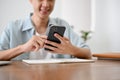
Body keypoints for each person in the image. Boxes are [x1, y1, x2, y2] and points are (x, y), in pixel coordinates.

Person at [0, 0, 92, 60]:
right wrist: (22, 48)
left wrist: (72, 49)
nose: (46, 4)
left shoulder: (63, 25)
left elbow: (88, 53)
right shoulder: (13, 27)